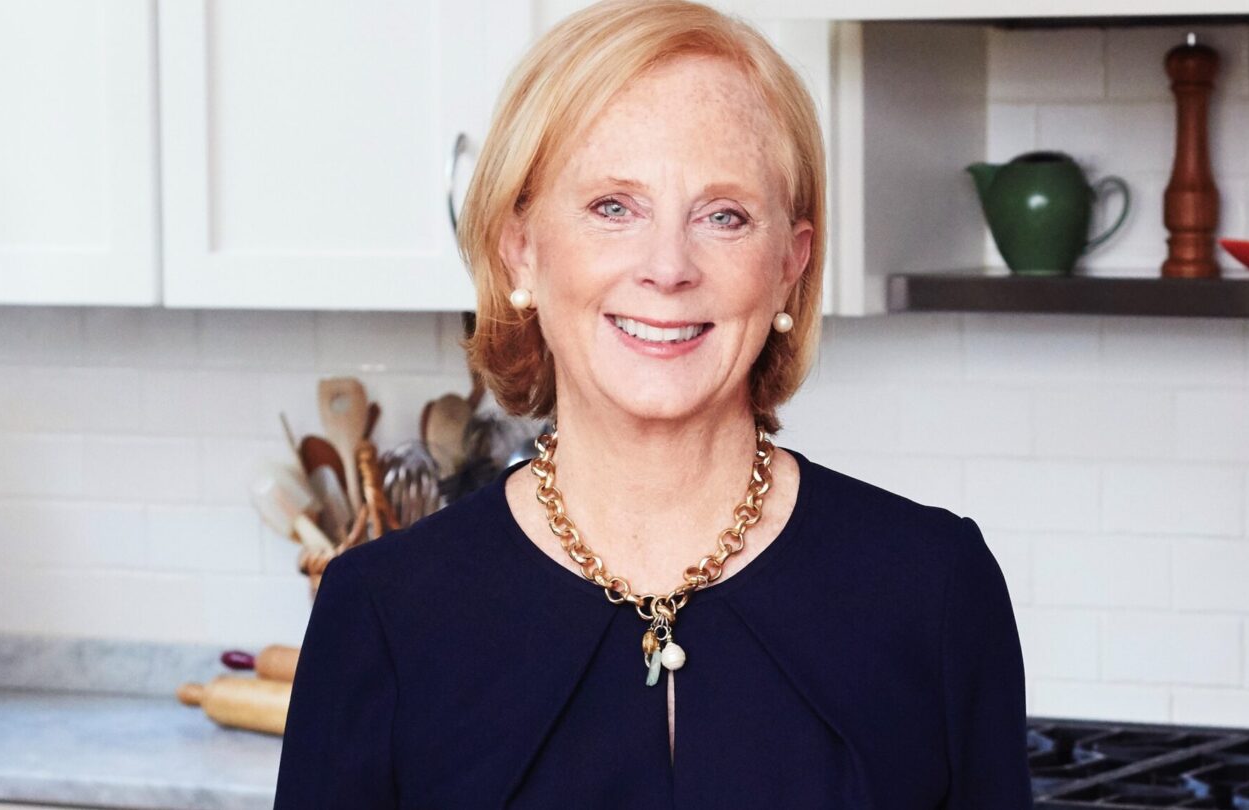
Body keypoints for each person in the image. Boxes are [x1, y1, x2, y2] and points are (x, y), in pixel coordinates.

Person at [272, 0, 1032, 806]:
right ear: (520, 246)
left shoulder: (934, 590)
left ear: (789, 265)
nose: (668, 267)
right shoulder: (384, 616)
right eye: (613, 207)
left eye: (723, 215)